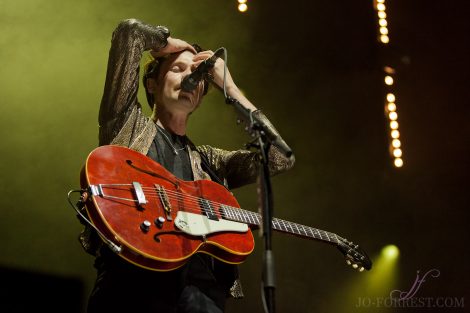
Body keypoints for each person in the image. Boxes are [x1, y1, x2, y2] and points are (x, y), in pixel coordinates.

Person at [78, 18, 294, 313]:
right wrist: (170, 46)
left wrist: (228, 86)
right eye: (178, 69)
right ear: (152, 84)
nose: (189, 78)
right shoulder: (127, 128)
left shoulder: (210, 162)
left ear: (201, 98)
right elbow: (129, 33)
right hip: (131, 287)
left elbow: (280, 158)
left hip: (201, 295)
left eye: (196, 74)